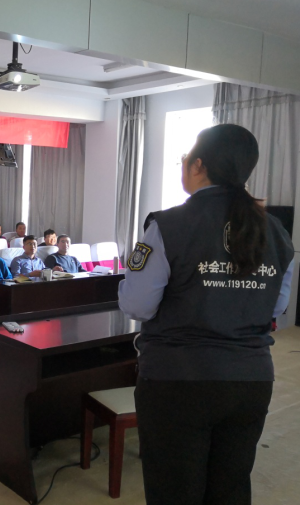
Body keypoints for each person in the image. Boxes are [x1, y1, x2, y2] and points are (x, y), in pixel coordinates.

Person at [118, 124, 294, 505]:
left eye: (185, 159)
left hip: (178, 381)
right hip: (250, 380)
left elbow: (137, 305)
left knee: (174, 491)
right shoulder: (277, 231)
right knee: (230, 489)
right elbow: (277, 307)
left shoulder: (166, 226)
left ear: (198, 165)